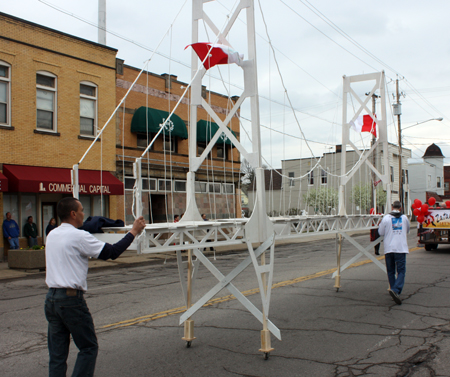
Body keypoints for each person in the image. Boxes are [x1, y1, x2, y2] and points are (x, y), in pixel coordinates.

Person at [44, 197, 146, 377]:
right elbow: (112, 252)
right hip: (70, 299)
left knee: (57, 355)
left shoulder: (52, 234)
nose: (84, 214)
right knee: (88, 347)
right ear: (73, 213)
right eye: (82, 210)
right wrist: (133, 232)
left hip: (51, 299)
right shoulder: (79, 236)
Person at [378, 201, 410, 305]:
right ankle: (396, 290)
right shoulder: (404, 218)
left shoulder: (386, 218)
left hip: (389, 248)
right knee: (401, 271)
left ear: (392, 207)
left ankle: (393, 290)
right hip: (400, 248)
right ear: (400, 208)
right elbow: (407, 230)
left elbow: (380, 232)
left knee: (390, 271)